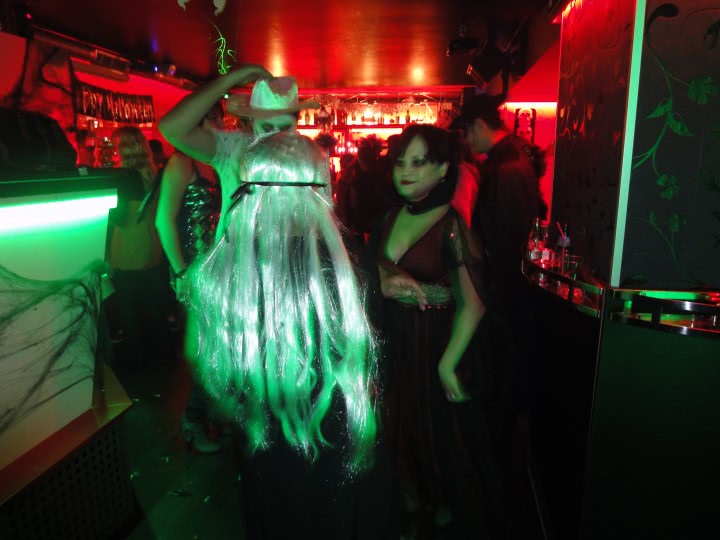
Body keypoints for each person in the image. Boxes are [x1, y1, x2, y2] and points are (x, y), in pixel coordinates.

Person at [184, 132, 388, 538]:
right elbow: (370, 363)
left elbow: (202, 359)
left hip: (259, 427)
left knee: (273, 514)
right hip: (333, 429)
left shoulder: (222, 268)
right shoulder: (350, 267)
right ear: (319, 189)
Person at [371, 124, 507, 538]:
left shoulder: (452, 226)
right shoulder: (389, 217)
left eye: (419, 162)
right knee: (397, 430)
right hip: (394, 340)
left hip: (436, 341)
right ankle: (412, 506)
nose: (406, 172)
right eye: (401, 163)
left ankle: (439, 508)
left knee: (437, 439)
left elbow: (474, 303)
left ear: (443, 168)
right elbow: (372, 267)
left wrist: (447, 364)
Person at [452, 94, 547, 536]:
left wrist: (490, 301)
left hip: (505, 303)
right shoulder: (511, 163)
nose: (465, 140)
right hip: (511, 302)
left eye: (465, 130)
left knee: (501, 405)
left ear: (477, 127)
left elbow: (505, 250)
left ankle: (500, 507)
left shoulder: (505, 170)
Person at [158, 65, 318, 242]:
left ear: (297, 124)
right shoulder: (233, 148)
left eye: (284, 127)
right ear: (253, 123)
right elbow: (171, 129)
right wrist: (228, 80)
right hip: (234, 256)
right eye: (266, 127)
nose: (275, 136)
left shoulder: (310, 158)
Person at [154, 102, 225, 454]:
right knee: (206, 349)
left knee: (219, 346)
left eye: (220, 118)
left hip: (219, 268)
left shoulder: (213, 161)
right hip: (194, 270)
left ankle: (213, 418)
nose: (220, 125)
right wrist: (181, 271)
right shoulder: (182, 162)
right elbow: (163, 220)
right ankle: (194, 424)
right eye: (214, 118)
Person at [107, 127, 169, 363]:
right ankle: (161, 356)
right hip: (152, 246)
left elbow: (120, 217)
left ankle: (137, 359)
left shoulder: (124, 177)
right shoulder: (153, 173)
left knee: (129, 307)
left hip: (129, 249)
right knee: (153, 303)